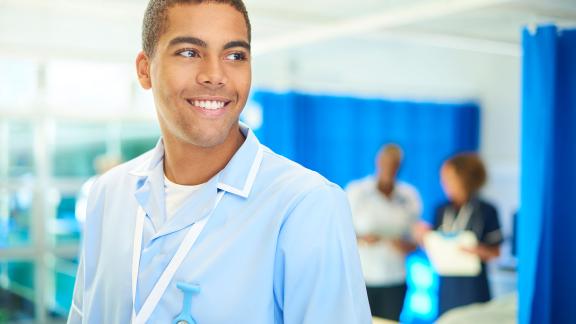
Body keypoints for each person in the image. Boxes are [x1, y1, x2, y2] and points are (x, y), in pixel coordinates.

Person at [67, 1, 371, 323]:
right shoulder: (108, 194)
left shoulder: (306, 206)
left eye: (235, 56)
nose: (215, 75)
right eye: (189, 52)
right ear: (145, 70)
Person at [414, 153, 503, 316]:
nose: (444, 183)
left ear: (464, 178)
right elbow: (433, 250)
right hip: (447, 286)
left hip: (473, 287)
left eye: (449, 177)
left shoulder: (485, 210)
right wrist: (424, 238)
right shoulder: (441, 210)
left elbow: (495, 252)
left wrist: (473, 250)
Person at [346, 144, 422, 321]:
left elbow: (416, 236)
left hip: (395, 276)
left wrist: (407, 245)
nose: (390, 168)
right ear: (378, 162)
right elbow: (340, 233)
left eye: (394, 164)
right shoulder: (356, 192)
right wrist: (363, 240)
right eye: (386, 163)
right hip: (364, 277)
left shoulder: (409, 195)